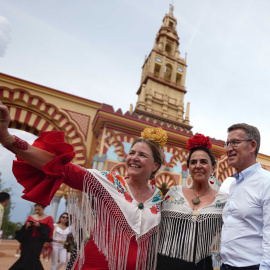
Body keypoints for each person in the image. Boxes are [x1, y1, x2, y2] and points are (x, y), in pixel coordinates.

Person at [0, 100, 166, 270]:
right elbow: (61, 167)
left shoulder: (163, 200)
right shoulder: (109, 182)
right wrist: (7, 138)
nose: (134, 157)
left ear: (156, 166)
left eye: (142, 155)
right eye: (131, 153)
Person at [157, 134, 228, 270]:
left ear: (213, 168)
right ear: (188, 167)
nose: (198, 166)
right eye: (193, 162)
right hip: (165, 264)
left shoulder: (223, 200)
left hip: (201, 265)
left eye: (203, 162)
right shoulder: (173, 192)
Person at [220, 123, 270, 270]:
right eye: (227, 144)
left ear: (252, 146)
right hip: (226, 266)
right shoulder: (233, 184)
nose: (229, 149)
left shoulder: (266, 182)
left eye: (235, 142)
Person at [9, 203, 54, 270]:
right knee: (24, 257)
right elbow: (24, 229)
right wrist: (27, 226)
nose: (36, 211)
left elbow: (50, 230)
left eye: (39, 209)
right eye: (35, 210)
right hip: (27, 240)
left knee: (34, 257)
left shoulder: (49, 218)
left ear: (44, 209)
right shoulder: (30, 217)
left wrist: (40, 225)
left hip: (38, 241)